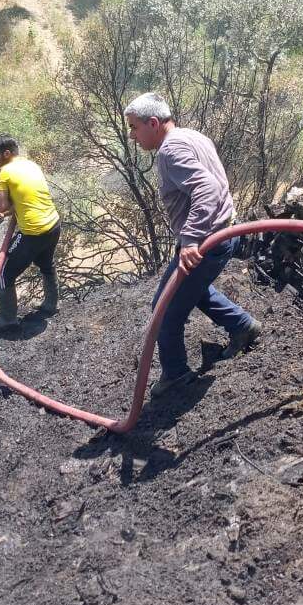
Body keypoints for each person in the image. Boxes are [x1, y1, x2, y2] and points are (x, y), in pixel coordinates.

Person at [124, 92, 262, 398]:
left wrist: (189, 240)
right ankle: (242, 326)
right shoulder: (191, 136)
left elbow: (208, 188)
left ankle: (175, 374)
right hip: (220, 234)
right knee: (195, 291)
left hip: (205, 241)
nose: (133, 136)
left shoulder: (168, 152)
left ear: (154, 123)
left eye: (135, 128)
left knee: (164, 310)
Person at [0, 134, 61, 330]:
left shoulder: (5, 172)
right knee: (46, 263)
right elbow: (25, 200)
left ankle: (7, 319)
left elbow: (1, 206)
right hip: (53, 225)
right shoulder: (31, 165)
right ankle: (51, 305)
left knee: (3, 274)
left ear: (7, 153)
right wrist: (5, 212)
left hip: (33, 231)